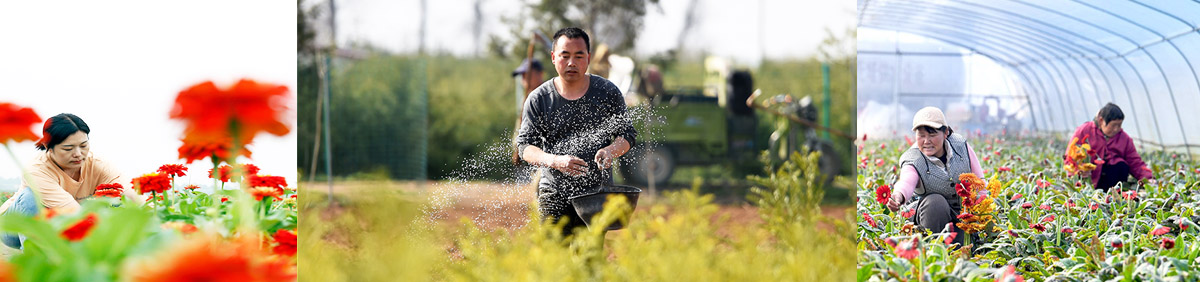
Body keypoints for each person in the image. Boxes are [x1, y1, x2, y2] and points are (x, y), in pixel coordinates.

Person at [516, 27, 637, 237]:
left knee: (589, 254)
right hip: (553, 192)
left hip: (595, 194)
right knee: (554, 254)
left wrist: (610, 151)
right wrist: (555, 161)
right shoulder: (539, 99)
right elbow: (525, 147)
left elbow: (627, 135)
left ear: (588, 58)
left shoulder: (607, 93)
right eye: (565, 56)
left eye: (579, 56)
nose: (571, 62)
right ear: (553, 57)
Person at [0, 113, 134, 249]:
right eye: (68, 148)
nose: (78, 154)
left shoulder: (98, 164)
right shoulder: (36, 169)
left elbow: (130, 194)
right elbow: (71, 210)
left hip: (59, 222)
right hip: (13, 229)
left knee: (111, 199)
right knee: (30, 196)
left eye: (83, 145)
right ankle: (34, 253)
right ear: (48, 146)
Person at [886, 107, 984, 244]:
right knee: (935, 202)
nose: (926, 141)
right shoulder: (913, 158)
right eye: (921, 135)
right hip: (930, 217)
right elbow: (906, 181)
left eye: (932, 135)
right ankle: (931, 249)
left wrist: (983, 209)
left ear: (946, 133)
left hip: (962, 214)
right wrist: (899, 195)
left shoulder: (960, 145)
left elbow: (980, 181)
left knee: (963, 248)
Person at [1066, 103, 1153, 192]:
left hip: (1112, 183)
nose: (1116, 129)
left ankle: (1115, 194)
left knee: (1121, 165)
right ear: (1101, 121)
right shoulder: (1084, 130)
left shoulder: (1124, 138)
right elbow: (1069, 157)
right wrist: (1077, 171)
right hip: (1088, 181)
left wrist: (1149, 179)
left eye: (1119, 125)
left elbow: (1135, 162)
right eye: (1113, 125)